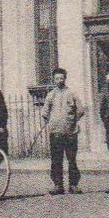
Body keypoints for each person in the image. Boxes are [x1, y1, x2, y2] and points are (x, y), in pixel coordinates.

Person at [39, 67, 83, 195]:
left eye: (61, 78)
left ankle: (73, 185)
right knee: (56, 160)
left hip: (71, 133)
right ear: (54, 79)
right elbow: (45, 112)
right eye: (57, 78)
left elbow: (80, 111)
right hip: (55, 133)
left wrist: (72, 120)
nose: (59, 80)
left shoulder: (72, 94)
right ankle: (58, 185)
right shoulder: (50, 95)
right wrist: (51, 120)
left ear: (65, 78)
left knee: (72, 159)